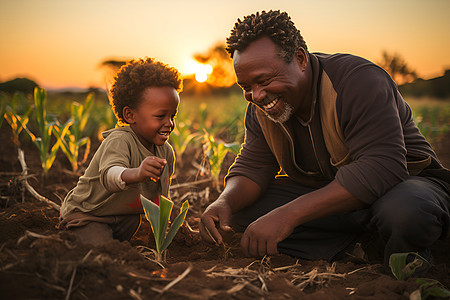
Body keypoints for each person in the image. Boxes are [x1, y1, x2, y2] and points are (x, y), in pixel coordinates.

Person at [199, 10, 450, 267]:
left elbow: (383, 167)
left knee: (407, 211)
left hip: (401, 185)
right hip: (337, 196)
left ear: (300, 59)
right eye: (246, 87)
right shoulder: (261, 109)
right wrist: (224, 202)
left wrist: (289, 214)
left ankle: (405, 260)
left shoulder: (358, 81)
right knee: (242, 212)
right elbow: (253, 168)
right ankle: (358, 247)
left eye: (264, 81)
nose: (256, 95)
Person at [59, 58, 182, 246]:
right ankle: (74, 233)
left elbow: (162, 196)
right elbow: (110, 175)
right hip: (87, 215)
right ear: (130, 115)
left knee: (132, 224)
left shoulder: (166, 152)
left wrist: (170, 225)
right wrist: (137, 173)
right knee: (101, 249)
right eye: (160, 116)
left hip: (122, 217)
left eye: (172, 116)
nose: (169, 123)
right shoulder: (120, 140)